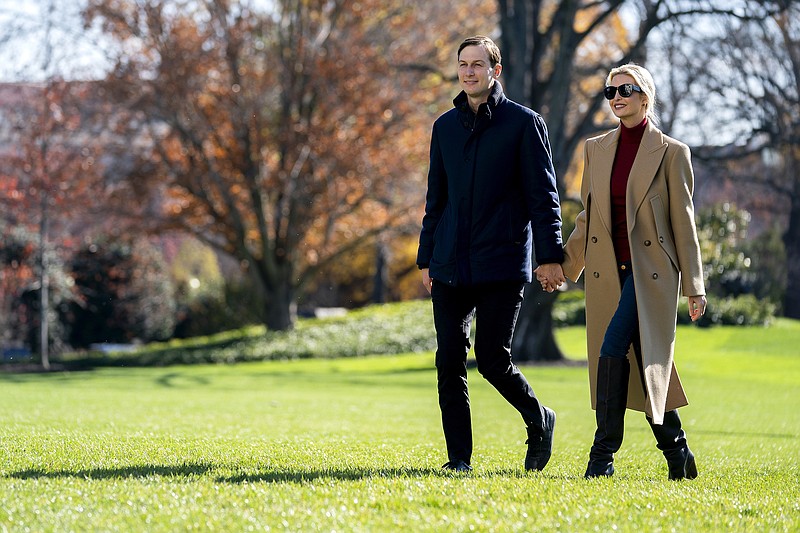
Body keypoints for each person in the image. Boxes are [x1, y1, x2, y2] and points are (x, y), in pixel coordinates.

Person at [545, 63, 706, 480]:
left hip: (651, 274)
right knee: (648, 360)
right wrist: (565, 267)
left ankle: (602, 457)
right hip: (607, 274)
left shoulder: (673, 152)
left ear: (645, 97)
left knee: (613, 348)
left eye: (626, 90)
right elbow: (588, 217)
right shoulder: (595, 149)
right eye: (610, 91)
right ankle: (678, 452)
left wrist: (694, 285)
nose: (616, 97)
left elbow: (683, 222)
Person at [416, 35, 564, 473]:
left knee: (494, 361)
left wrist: (550, 255)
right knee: (448, 361)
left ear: (494, 71)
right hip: (448, 264)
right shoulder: (444, 127)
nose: (469, 72)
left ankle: (539, 419)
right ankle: (458, 459)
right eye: (463, 64)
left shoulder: (524, 123)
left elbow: (544, 197)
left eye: (478, 64)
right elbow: (435, 199)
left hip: (501, 262)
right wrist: (426, 257)